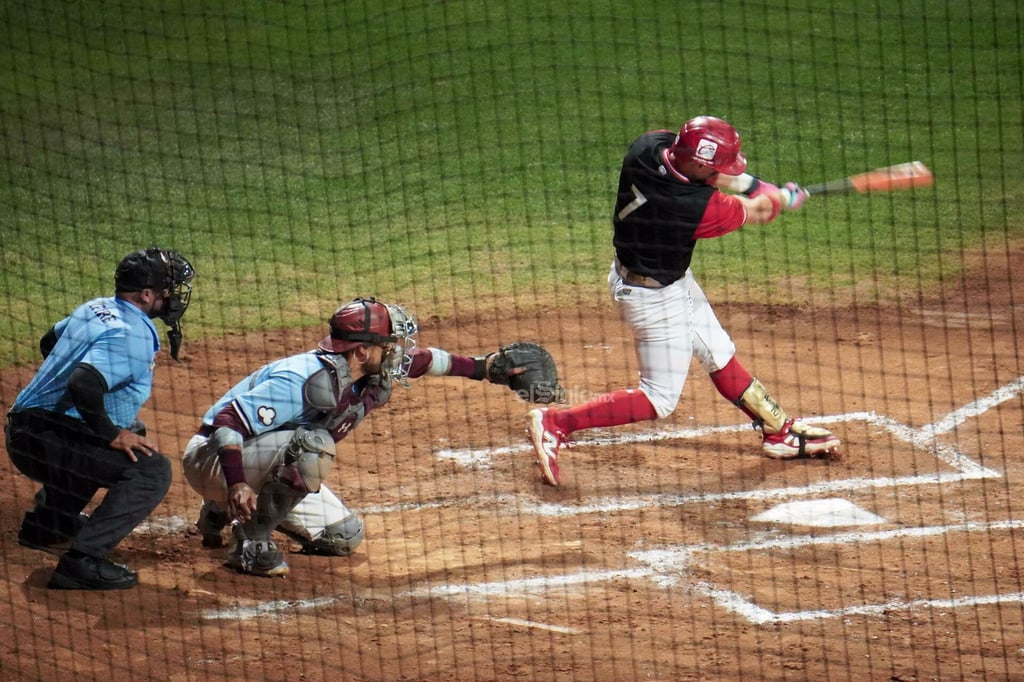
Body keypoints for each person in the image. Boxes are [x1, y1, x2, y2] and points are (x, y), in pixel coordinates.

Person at [526, 115, 841, 486]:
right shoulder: (693, 208)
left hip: (658, 278)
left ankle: (778, 432)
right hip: (652, 299)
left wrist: (761, 187)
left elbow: (713, 174)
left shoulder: (648, 148)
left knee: (717, 350)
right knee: (659, 399)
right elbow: (757, 211)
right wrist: (782, 198)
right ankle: (556, 422)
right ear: (697, 165)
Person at [182, 297, 526, 578]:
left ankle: (218, 510)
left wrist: (485, 368)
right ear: (362, 351)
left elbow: (425, 361)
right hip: (212, 458)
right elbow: (227, 422)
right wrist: (237, 482)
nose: (397, 351)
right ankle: (249, 542)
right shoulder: (305, 379)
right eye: (390, 344)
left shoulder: (369, 367)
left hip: (256, 460)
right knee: (313, 449)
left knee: (343, 537)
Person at [5, 247, 195, 589]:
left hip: (27, 428)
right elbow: (82, 381)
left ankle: (50, 526)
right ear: (146, 294)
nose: (173, 297)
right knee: (150, 470)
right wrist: (109, 433)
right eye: (168, 290)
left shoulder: (97, 308)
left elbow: (49, 341)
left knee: (129, 430)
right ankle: (82, 561)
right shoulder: (131, 334)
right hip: (42, 440)